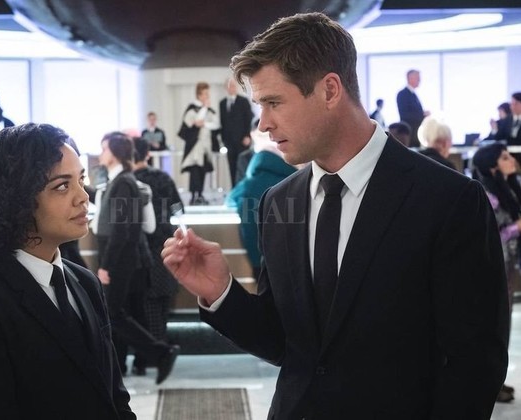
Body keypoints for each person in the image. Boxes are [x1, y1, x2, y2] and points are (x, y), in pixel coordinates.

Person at [162, 12, 509, 419]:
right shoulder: (278, 201)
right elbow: (287, 344)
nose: (264, 124)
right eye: (260, 105)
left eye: (273, 102)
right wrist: (222, 292)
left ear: (329, 90)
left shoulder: (448, 200)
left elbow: (474, 365)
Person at [0, 123, 135, 419]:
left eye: (81, 180)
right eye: (62, 186)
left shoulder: (85, 282)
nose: (83, 197)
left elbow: (115, 399)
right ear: (14, 199)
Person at [94, 131, 179, 383]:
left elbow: (123, 229)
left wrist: (106, 265)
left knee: (114, 313)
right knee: (118, 312)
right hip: (125, 260)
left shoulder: (124, 183)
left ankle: (161, 353)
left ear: (115, 153)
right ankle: (157, 354)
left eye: (104, 149)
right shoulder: (121, 181)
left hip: (122, 262)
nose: (101, 154)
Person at [472, 142, 521, 404]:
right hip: (495, 267)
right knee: (495, 325)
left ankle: (496, 381)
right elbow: (492, 237)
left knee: (504, 322)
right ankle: (490, 382)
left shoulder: (508, 187)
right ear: (492, 166)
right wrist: (517, 228)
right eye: (504, 157)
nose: (511, 160)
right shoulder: (488, 196)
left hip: (509, 265)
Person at [132, 137, 183, 375]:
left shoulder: (129, 181)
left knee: (145, 304)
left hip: (142, 247)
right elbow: (178, 208)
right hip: (166, 241)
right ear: (148, 154)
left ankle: (151, 355)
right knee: (162, 301)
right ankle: (160, 349)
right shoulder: (162, 177)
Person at [225, 125, 296, 280]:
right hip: (295, 261)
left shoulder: (247, 186)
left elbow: (229, 201)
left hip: (259, 260)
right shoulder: (298, 183)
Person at [179, 82, 219, 205]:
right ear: (199, 94)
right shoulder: (192, 108)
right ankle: (193, 195)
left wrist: (205, 123)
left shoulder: (209, 110)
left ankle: (200, 194)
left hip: (206, 147)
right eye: (205, 93)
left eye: (208, 93)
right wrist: (204, 110)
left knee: (203, 170)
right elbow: (194, 122)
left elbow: (215, 124)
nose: (207, 96)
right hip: (195, 147)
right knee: (194, 171)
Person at [219, 77, 254, 186]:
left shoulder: (243, 101)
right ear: (226, 88)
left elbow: (249, 119)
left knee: (243, 166)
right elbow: (222, 122)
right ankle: (234, 189)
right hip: (229, 142)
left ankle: (244, 189)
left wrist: (248, 135)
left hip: (242, 141)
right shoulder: (222, 103)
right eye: (229, 86)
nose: (231, 88)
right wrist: (223, 140)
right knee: (232, 166)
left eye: (233, 86)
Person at [397, 69, 430, 147]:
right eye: (418, 78)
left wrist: (423, 114)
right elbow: (405, 115)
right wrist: (422, 115)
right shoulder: (403, 94)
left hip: (416, 134)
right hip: (410, 135)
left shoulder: (413, 94)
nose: (419, 80)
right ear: (410, 78)